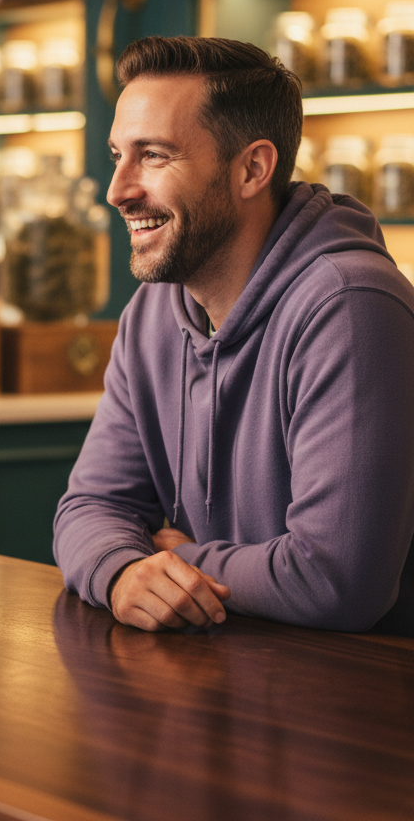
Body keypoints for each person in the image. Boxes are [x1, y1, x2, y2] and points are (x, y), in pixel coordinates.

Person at [53, 35, 414, 637]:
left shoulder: (350, 308)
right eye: (118, 154)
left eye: (155, 155)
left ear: (252, 169)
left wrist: (179, 558)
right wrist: (121, 572)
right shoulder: (151, 314)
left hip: (354, 707)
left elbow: (336, 582)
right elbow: (89, 508)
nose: (117, 190)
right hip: (212, 689)